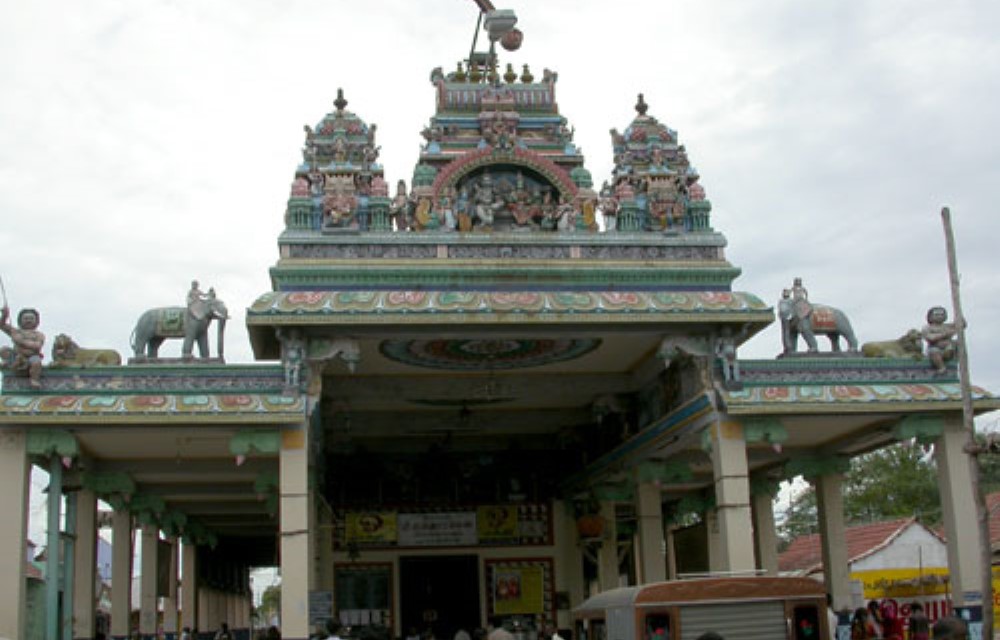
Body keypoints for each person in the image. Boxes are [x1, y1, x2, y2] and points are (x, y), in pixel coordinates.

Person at [0, 306, 45, 388]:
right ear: (20, 320)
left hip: (31, 356)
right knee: (4, 349)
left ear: (36, 321)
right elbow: (2, 325)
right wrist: (4, 315)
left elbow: (37, 346)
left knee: (36, 363)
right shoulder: (16, 331)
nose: (28, 320)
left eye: (31, 318)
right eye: (26, 318)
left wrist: (21, 341)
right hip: (17, 356)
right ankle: (8, 362)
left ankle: (34, 379)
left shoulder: (39, 335)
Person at [921, 306, 960, 373]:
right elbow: (930, 338)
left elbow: (961, 325)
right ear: (930, 316)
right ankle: (941, 367)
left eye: (942, 314)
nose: (939, 316)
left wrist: (959, 318)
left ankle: (950, 355)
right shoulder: (927, 327)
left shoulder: (947, 326)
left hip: (948, 347)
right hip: (935, 348)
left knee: (955, 344)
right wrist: (944, 334)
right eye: (937, 315)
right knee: (934, 351)